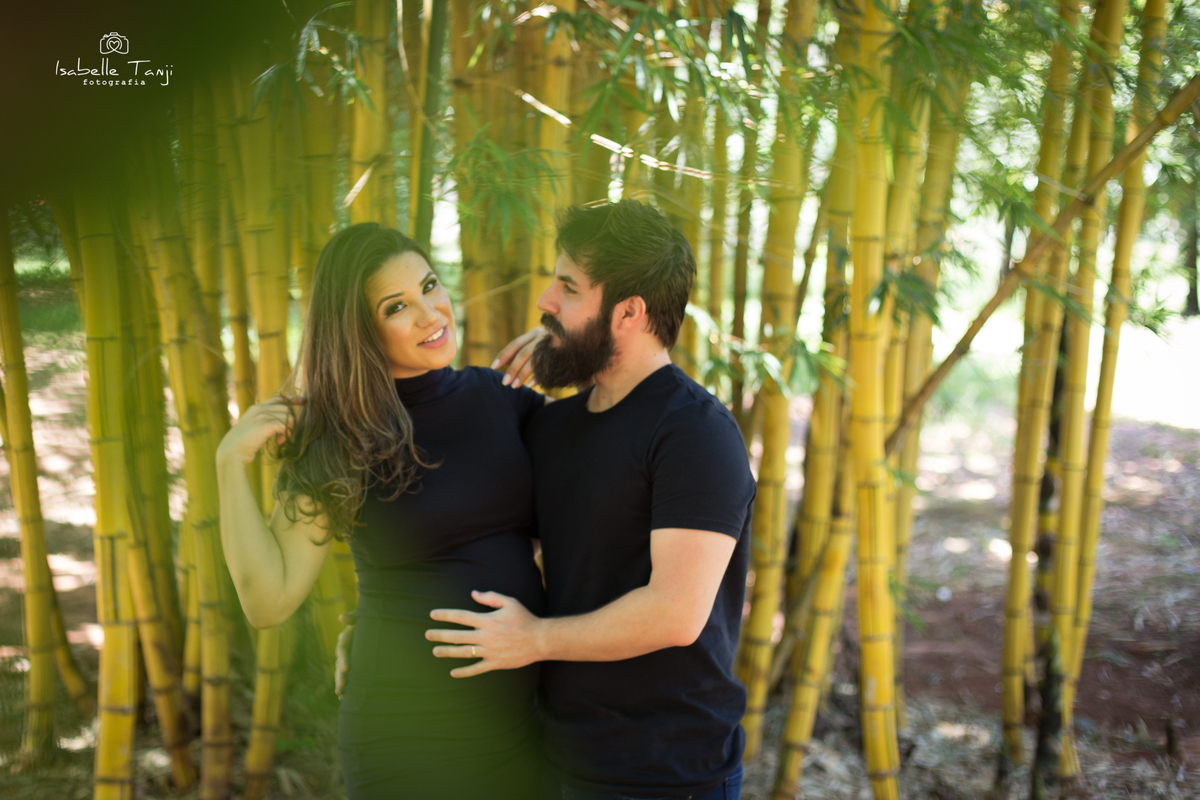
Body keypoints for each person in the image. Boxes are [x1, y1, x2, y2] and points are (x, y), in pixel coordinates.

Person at [423, 200, 756, 799]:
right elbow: (488, 545)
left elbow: (676, 613)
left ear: (628, 312)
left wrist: (535, 638)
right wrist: (377, 624)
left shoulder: (694, 432)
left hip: (665, 772)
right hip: (556, 752)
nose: (545, 300)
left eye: (568, 288)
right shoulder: (554, 426)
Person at [216, 223, 548, 800]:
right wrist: (228, 463)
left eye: (430, 286)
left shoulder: (505, 398)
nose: (430, 313)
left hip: (526, 728)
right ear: (358, 332)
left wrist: (578, 351)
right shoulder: (336, 439)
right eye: (397, 307)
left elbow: (601, 515)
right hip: (406, 732)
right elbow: (269, 601)